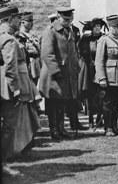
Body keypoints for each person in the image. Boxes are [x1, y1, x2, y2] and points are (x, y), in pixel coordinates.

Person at [1, 7, 40, 177]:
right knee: (9, 126)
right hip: (7, 88)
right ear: (10, 19)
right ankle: (3, 162)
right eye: (18, 18)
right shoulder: (8, 39)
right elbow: (10, 67)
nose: (20, 21)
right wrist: (15, 89)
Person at [39, 7, 80, 141]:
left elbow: (73, 53)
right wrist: (56, 71)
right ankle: (54, 130)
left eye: (70, 19)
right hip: (53, 75)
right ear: (58, 17)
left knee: (62, 102)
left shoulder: (69, 31)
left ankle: (61, 128)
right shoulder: (50, 32)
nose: (68, 21)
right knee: (53, 102)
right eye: (65, 19)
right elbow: (47, 54)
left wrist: (75, 67)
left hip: (65, 74)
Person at [95, 15, 118, 136]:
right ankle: (108, 128)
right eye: (115, 27)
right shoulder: (104, 40)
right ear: (110, 27)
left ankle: (115, 126)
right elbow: (99, 61)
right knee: (108, 103)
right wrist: (102, 78)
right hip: (110, 78)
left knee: (117, 102)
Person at [78, 18, 106, 128]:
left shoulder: (104, 38)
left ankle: (100, 117)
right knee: (90, 95)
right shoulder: (86, 39)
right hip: (90, 71)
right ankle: (90, 119)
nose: (98, 28)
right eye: (95, 27)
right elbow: (82, 52)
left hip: (101, 70)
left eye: (99, 26)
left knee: (102, 94)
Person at [18, 11, 42, 84]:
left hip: (36, 64)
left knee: (35, 84)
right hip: (28, 64)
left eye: (32, 20)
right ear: (22, 22)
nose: (31, 23)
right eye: (29, 21)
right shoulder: (20, 35)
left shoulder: (33, 34)